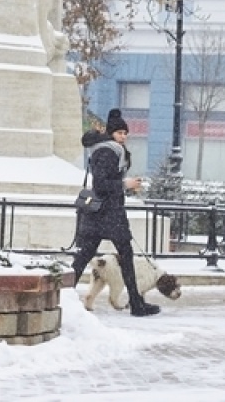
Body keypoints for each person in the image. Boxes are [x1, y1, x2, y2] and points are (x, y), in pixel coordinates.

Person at [72, 108, 161, 317]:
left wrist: (125, 185)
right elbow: (101, 184)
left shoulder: (110, 150)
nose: (124, 137)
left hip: (104, 213)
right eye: (120, 133)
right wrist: (124, 184)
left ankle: (62, 296)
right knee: (117, 255)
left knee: (86, 256)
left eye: (125, 133)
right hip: (108, 213)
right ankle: (137, 304)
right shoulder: (107, 151)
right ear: (111, 133)